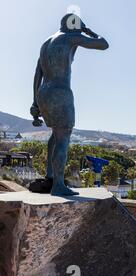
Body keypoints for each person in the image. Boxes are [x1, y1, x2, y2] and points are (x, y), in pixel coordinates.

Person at [31, 14, 109, 196]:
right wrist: (88, 31)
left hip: (44, 92)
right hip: (60, 92)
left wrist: (35, 102)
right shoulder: (70, 36)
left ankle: (50, 177)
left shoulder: (46, 43)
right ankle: (58, 185)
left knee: (55, 135)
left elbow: (37, 74)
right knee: (63, 137)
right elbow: (103, 44)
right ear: (74, 26)